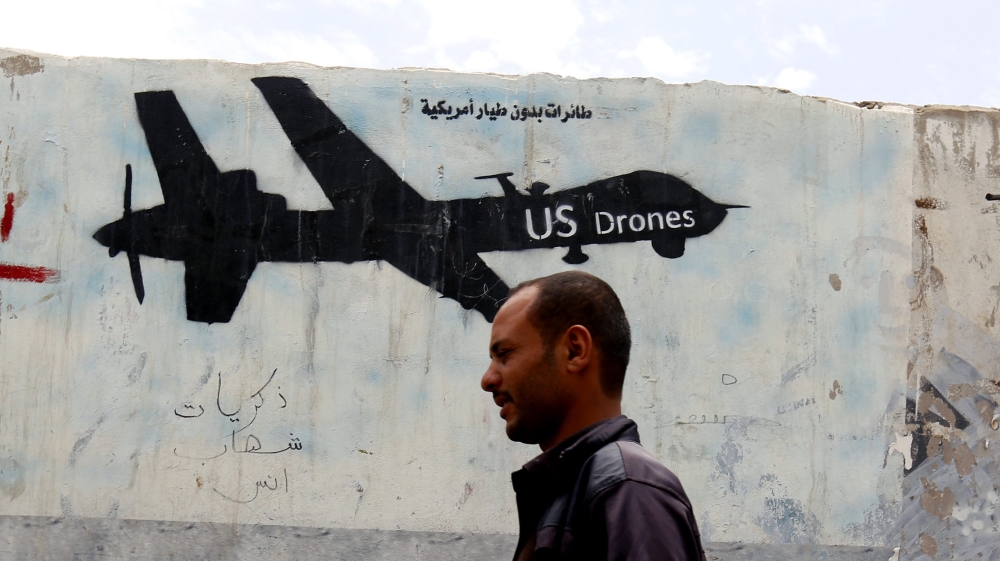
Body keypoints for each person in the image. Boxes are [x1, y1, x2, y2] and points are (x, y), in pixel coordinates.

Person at [481, 271, 707, 561]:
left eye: (504, 354)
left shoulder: (627, 488)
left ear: (575, 351)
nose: (488, 380)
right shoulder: (582, 486)